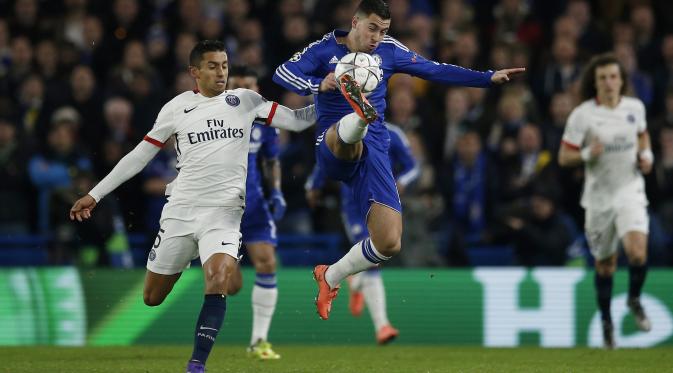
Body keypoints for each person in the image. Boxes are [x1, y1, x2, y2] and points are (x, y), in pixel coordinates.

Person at [69, 40, 316, 373]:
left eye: (225, 65)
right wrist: (95, 195)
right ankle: (191, 255)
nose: (221, 72)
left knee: (216, 279)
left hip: (225, 213)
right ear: (194, 72)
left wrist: (331, 99)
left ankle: (196, 364)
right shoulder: (176, 108)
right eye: (213, 66)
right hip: (181, 212)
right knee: (152, 296)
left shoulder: (246, 101)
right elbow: (140, 156)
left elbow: (299, 121)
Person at [273, 0, 524, 320]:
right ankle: (359, 116)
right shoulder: (324, 49)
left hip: (377, 151)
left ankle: (331, 276)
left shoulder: (389, 50)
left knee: (389, 242)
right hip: (332, 143)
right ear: (355, 22)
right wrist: (316, 83)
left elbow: (435, 69)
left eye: (384, 30)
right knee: (347, 136)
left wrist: (486, 78)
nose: (378, 36)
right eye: (373, 28)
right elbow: (283, 73)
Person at [558, 53, 653, 349]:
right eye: (602, 78)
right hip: (598, 198)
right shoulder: (582, 115)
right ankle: (607, 322)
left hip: (630, 190)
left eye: (613, 77)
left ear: (622, 80)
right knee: (605, 265)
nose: (609, 83)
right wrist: (586, 154)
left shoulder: (635, 108)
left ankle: (635, 299)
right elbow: (564, 157)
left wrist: (647, 155)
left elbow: (642, 136)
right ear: (595, 83)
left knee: (637, 252)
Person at [306, 122, 418, 344]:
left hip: (381, 202)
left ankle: (353, 280)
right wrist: (313, 185)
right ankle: (382, 325)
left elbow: (412, 166)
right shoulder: (343, 128)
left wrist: (401, 181)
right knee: (373, 260)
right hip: (354, 206)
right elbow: (325, 159)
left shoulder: (392, 133)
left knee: (378, 253)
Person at [224, 65, 285, 360]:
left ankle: (259, 340)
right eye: (238, 85)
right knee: (231, 285)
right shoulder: (213, 121)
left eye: (249, 85)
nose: (244, 91)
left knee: (267, 262)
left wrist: (277, 191)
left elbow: (272, 161)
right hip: (222, 209)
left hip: (255, 206)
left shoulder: (265, 124)